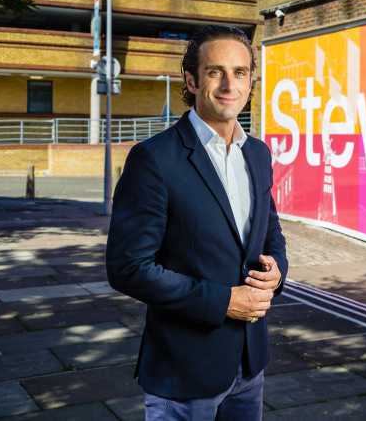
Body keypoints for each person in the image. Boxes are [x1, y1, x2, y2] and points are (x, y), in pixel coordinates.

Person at [106, 25, 288, 420]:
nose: (229, 84)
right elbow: (128, 268)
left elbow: (270, 232)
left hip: (249, 361)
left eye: (240, 72)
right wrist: (225, 302)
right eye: (215, 71)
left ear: (251, 80)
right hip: (185, 369)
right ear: (191, 79)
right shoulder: (154, 159)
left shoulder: (257, 153)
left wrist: (276, 273)